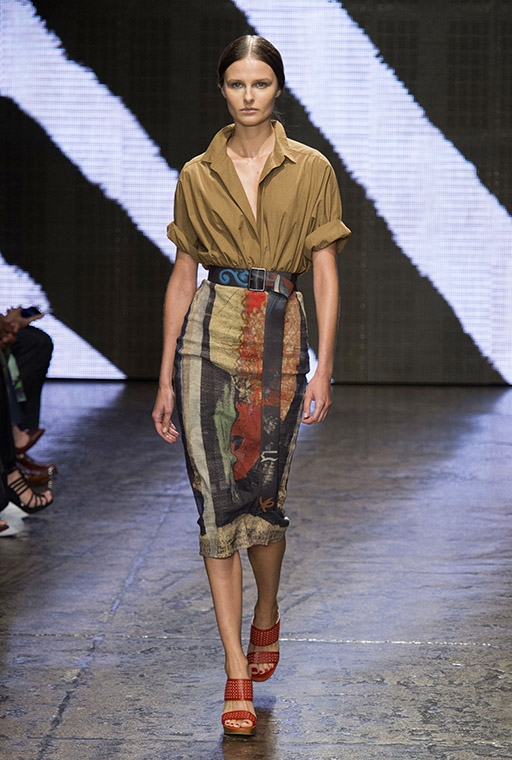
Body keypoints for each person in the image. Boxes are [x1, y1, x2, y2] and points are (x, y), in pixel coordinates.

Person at [152, 35, 350, 737]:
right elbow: (183, 276)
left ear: (277, 89)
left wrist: (324, 365)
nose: (248, 95)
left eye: (259, 83)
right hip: (207, 337)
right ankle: (234, 666)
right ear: (222, 89)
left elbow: (324, 270)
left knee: (264, 498)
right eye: (236, 83)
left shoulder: (312, 168)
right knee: (216, 505)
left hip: (279, 336)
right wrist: (164, 376)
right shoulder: (195, 173)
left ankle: (267, 606)